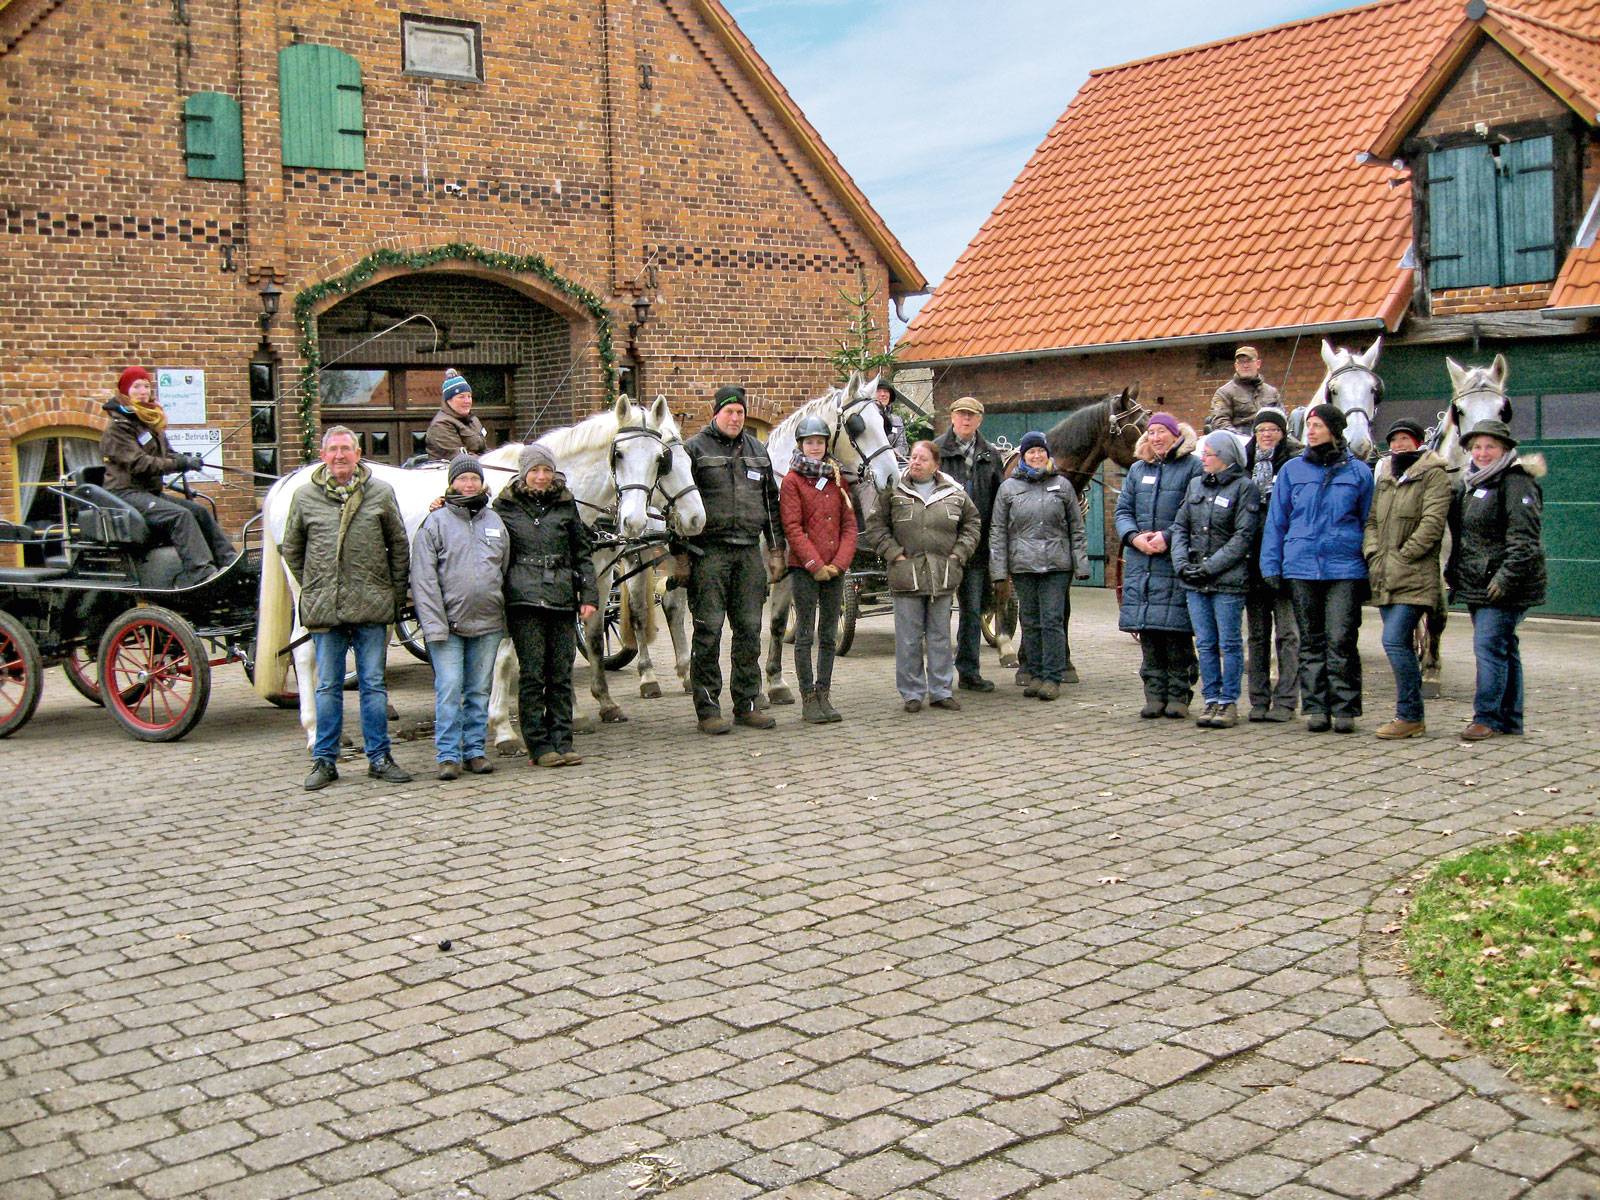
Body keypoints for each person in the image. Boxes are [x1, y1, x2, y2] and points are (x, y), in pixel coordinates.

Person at [282, 426, 412, 790]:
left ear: (358, 454)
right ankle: (325, 759)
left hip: (371, 604)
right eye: (333, 450)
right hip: (328, 608)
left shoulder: (381, 493)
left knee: (373, 685)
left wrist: (392, 593)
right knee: (327, 686)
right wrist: (315, 586)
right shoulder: (305, 496)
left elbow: (398, 547)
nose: (339, 455)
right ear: (323, 456)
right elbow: (291, 549)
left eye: (346, 449)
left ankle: (380, 757)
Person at [1260, 403, 1374, 733]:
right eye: (1308, 425)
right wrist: (1272, 564)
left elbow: (1369, 521)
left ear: (1335, 430)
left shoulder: (1358, 473)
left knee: (1341, 639)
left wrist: (1369, 565)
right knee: (1311, 641)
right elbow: (1277, 522)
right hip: (1300, 566)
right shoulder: (1293, 471)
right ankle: (1316, 707)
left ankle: (1345, 707)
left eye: (1318, 425)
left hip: (1345, 568)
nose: (1310, 431)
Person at [684, 385, 784, 734]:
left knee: (749, 631)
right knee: (708, 631)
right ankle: (708, 710)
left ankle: (748, 703)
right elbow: (678, 508)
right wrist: (680, 558)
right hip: (708, 553)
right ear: (716, 413)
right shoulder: (694, 449)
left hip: (747, 553)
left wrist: (775, 551)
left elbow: (772, 506)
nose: (735, 418)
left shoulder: (758, 450)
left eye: (740, 412)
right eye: (729, 412)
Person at [495, 443, 598, 766]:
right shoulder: (505, 507)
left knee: (561, 673)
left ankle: (563, 741)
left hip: (561, 597)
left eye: (546, 470)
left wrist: (589, 596)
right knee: (533, 674)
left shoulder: (566, 505)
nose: (541, 477)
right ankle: (538, 745)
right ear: (524, 473)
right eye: (535, 470)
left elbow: (581, 553)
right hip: (524, 599)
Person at [1446, 419, 1546, 741]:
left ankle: (1486, 717)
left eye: (1490, 446)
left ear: (1505, 449)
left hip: (1506, 585)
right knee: (1504, 647)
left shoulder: (1516, 482)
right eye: (1477, 447)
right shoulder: (1470, 484)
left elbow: (1525, 541)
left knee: (1488, 646)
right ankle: (1510, 719)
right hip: (1478, 583)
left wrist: (1505, 578)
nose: (1483, 452)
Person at [411, 456, 509, 779]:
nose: (468, 484)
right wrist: (435, 625)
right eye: (462, 479)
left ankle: (475, 751)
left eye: (474, 479)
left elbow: (504, 569)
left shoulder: (495, 522)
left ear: (482, 483)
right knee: (450, 689)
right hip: (447, 627)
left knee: (479, 690)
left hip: (488, 624)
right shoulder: (435, 523)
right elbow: (423, 580)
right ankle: (448, 754)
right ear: (452, 483)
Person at [867, 440, 980, 713]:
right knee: (908, 638)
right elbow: (875, 526)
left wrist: (958, 555)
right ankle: (912, 693)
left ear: (936, 465)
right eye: (913, 457)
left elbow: (972, 524)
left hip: (942, 575)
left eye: (923, 459)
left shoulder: (955, 493)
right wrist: (894, 554)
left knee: (940, 636)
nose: (915, 462)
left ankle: (941, 691)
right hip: (907, 575)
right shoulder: (893, 491)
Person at [100, 365, 235, 586]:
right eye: (136, 386)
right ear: (125, 392)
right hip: (124, 494)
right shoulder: (118, 428)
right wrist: (177, 463)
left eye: (146, 386)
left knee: (199, 511)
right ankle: (201, 573)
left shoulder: (149, 422)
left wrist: (187, 460)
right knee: (179, 516)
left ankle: (228, 562)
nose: (143, 391)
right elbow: (140, 463)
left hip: (149, 493)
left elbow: (167, 454)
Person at [1363, 419, 1451, 740]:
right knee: (1398, 642)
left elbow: (1432, 522)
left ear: (1417, 442)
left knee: (1393, 640)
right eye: (1394, 439)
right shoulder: (1385, 476)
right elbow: (1372, 520)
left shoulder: (1434, 475)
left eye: (1405, 439)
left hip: (1415, 576)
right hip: (1384, 573)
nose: (1399, 445)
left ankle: (1409, 714)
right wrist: (1373, 551)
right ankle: (1412, 715)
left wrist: (1404, 553)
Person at [989, 431, 1089, 702]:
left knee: (1052, 621)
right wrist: (999, 570)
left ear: (1048, 454)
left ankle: (1052, 676)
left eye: (1040, 451)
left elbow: (1077, 529)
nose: (1036, 456)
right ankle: (1033, 672)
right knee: (1030, 621)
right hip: (1023, 565)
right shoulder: (1008, 489)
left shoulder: (1062, 486)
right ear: (1022, 456)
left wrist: (1081, 564)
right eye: (1031, 452)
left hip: (1057, 566)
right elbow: (998, 531)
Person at [1116, 412, 1203, 718]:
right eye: (1150, 433)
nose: (1155, 437)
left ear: (1175, 434)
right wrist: (1133, 537)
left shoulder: (1193, 468)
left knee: (1176, 634)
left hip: (1174, 560)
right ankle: (1154, 694)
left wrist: (1168, 536)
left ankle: (1179, 695)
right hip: (1142, 564)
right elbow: (1123, 510)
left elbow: (1193, 509)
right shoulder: (1138, 470)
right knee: (1150, 634)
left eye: (1161, 432)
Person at [1171, 432, 1260, 728]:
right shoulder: (1195, 484)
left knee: (1230, 643)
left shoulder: (1244, 487)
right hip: (1194, 580)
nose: (1203, 458)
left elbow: (1242, 537)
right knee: (1206, 643)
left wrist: (1210, 567)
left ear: (1225, 456)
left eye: (1208, 453)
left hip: (1227, 581)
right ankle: (1210, 699)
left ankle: (1228, 700)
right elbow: (1181, 527)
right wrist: (1182, 563)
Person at [780, 416, 857, 724]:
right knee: (805, 635)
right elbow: (793, 527)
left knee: (828, 634)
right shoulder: (792, 481)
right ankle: (808, 696)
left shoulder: (837, 478)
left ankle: (824, 692)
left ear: (827, 445)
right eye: (809, 442)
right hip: (805, 569)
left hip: (834, 570)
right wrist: (815, 565)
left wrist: (839, 563)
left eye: (820, 442)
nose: (815, 447)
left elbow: (849, 524)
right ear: (801, 445)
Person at [933, 396, 1004, 691]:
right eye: (961, 414)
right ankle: (938, 677)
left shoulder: (990, 454)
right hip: (942, 546)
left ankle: (969, 671)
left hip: (976, 548)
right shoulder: (936, 450)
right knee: (937, 615)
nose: (965, 420)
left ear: (980, 420)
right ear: (951, 417)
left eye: (971, 416)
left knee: (973, 612)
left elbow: (1000, 499)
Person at [1243, 409, 1302, 721]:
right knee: (1256, 635)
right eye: (1261, 429)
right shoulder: (1243, 463)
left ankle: (1287, 700)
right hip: (1252, 562)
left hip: (1284, 562)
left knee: (1288, 635)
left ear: (1283, 432)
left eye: (1272, 429)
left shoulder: (1295, 464)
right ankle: (1258, 699)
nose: (1266, 434)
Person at [1206, 346, 1283, 434]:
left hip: (1269, 438)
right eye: (1241, 362)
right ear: (1236, 366)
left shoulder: (1272, 392)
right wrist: (1239, 439)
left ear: (1258, 364)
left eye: (1249, 361)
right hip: (1240, 439)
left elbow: (1282, 419)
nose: (1245, 365)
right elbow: (1220, 422)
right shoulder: (1224, 393)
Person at [425, 368, 489, 461]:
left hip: (477, 470)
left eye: (469, 396)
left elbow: (484, 449)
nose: (467, 401)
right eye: (461, 397)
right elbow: (459, 457)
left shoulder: (474, 420)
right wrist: (488, 460)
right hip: (448, 472)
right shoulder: (440, 425)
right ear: (448, 400)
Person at [874, 378, 910, 462]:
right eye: (878, 391)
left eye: (886, 391)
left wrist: (893, 453)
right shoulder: (865, 417)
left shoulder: (897, 420)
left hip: (893, 464)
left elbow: (904, 447)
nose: (883, 394)